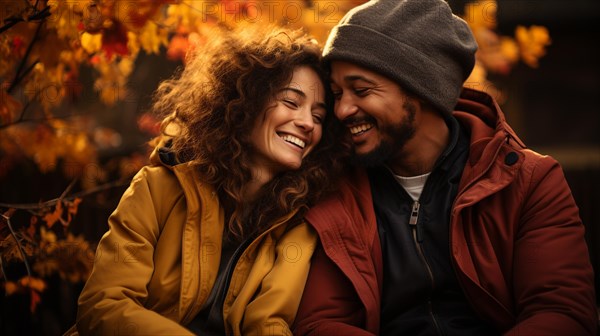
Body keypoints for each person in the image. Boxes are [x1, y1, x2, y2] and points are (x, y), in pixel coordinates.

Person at [293, 0, 597, 335]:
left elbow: (562, 311)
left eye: (361, 90)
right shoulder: (334, 188)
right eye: (336, 94)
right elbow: (321, 323)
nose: (342, 110)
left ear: (420, 88)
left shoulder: (529, 180)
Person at [70, 25, 344, 336]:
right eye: (291, 102)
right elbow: (104, 305)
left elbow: (269, 323)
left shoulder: (297, 224)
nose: (307, 123)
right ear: (245, 102)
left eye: (319, 116)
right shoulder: (158, 188)